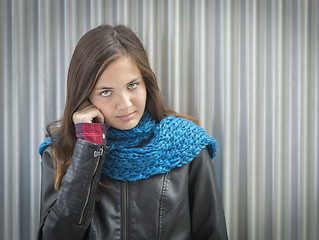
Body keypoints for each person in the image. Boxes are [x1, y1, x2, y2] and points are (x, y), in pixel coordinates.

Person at [38, 24, 228, 240]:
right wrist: (88, 148)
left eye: (132, 85)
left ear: (146, 82)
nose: (125, 104)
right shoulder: (60, 152)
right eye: (106, 92)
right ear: (85, 97)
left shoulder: (187, 144)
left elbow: (212, 234)